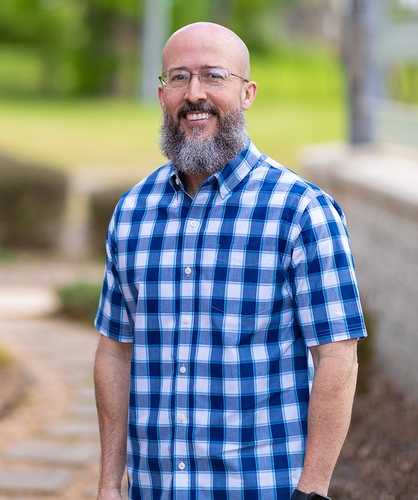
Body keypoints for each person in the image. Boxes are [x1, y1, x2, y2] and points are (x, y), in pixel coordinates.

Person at [94, 22, 367, 500]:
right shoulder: (133, 210)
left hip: (261, 487)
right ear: (161, 95)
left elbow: (337, 356)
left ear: (247, 93)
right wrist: (108, 485)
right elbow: (114, 351)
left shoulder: (302, 212)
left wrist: (313, 490)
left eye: (213, 76)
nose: (194, 93)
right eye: (179, 77)